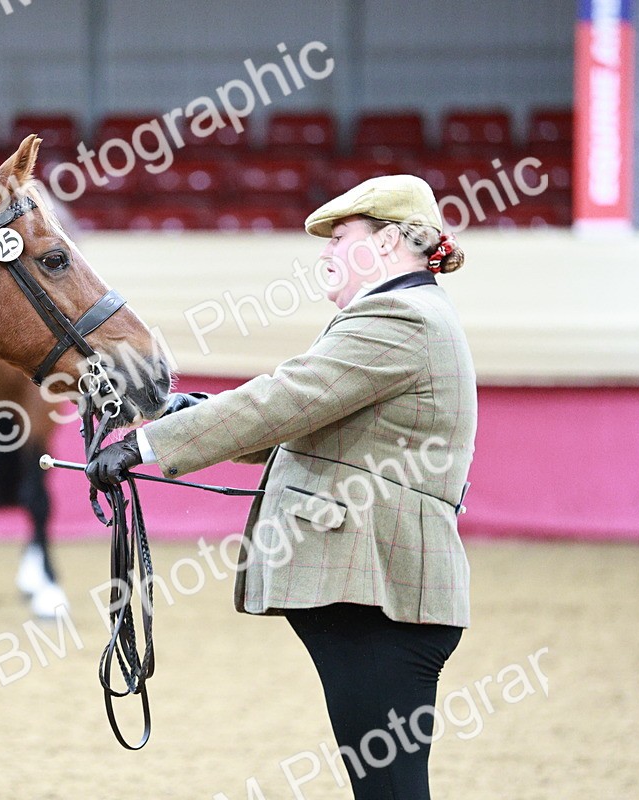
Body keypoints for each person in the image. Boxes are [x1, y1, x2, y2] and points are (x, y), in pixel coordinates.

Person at [87, 175, 476, 799]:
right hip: (383, 590)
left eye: (340, 236)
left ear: (388, 243)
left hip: (380, 589)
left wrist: (147, 446)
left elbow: (284, 400)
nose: (326, 252)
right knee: (386, 785)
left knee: (389, 789)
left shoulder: (399, 316)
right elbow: (301, 426)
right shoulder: (412, 314)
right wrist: (184, 415)